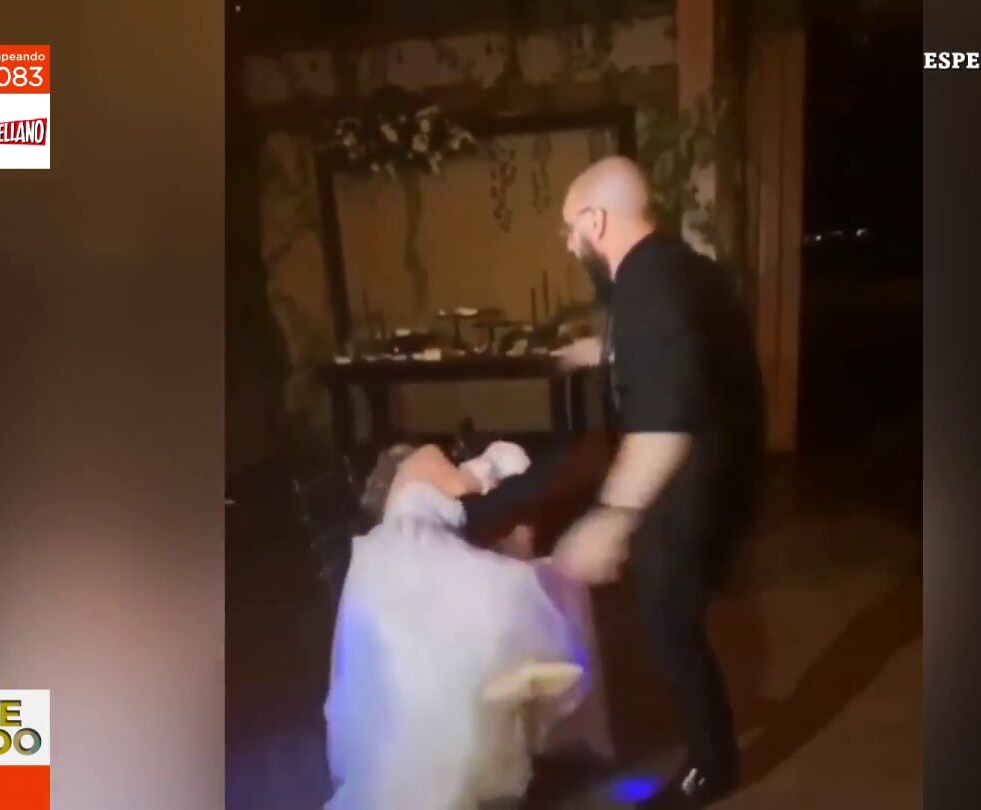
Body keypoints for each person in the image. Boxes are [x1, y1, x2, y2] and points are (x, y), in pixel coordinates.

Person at [551, 156, 765, 807]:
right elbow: (681, 350)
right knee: (676, 616)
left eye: (569, 228)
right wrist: (603, 352)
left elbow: (665, 426)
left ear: (595, 220)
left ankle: (712, 768)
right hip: (727, 473)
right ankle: (713, 755)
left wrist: (610, 519)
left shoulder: (645, 286)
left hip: (690, 483)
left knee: (670, 625)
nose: (569, 245)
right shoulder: (684, 268)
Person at [323, 441, 610, 810]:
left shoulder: (395, 514)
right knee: (540, 595)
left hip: (398, 566)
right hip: (423, 552)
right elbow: (464, 487)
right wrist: (490, 469)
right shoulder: (422, 457)